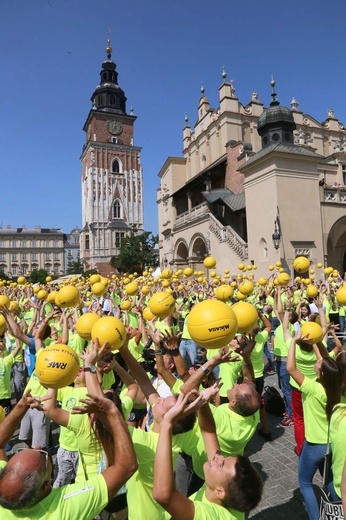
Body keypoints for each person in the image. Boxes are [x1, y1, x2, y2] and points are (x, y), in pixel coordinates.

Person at [0, 390, 138, 519]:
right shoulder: (66, 506)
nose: (37, 446)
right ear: (46, 484)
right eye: (43, 454)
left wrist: (21, 406)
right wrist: (112, 412)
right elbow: (127, 466)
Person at [153, 390, 263, 519]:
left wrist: (166, 424)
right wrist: (202, 403)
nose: (218, 457)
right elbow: (209, 432)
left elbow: (163, 495)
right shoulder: (226, 493)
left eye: (221, 464)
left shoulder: (211, 515)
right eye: (225, 457)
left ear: (220, 492)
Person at [287, 332, 341, 519]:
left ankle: (315, 517)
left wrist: (294, 341)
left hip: (314, 445)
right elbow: (326, 360)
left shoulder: (312, 388)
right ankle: (338, 510)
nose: (317, 361)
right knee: (330, 481)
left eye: (318, 364)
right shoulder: (337, 389)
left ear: (321, 372)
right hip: (332, 444)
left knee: (305, 483)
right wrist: (317, 342)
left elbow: (291, 368)